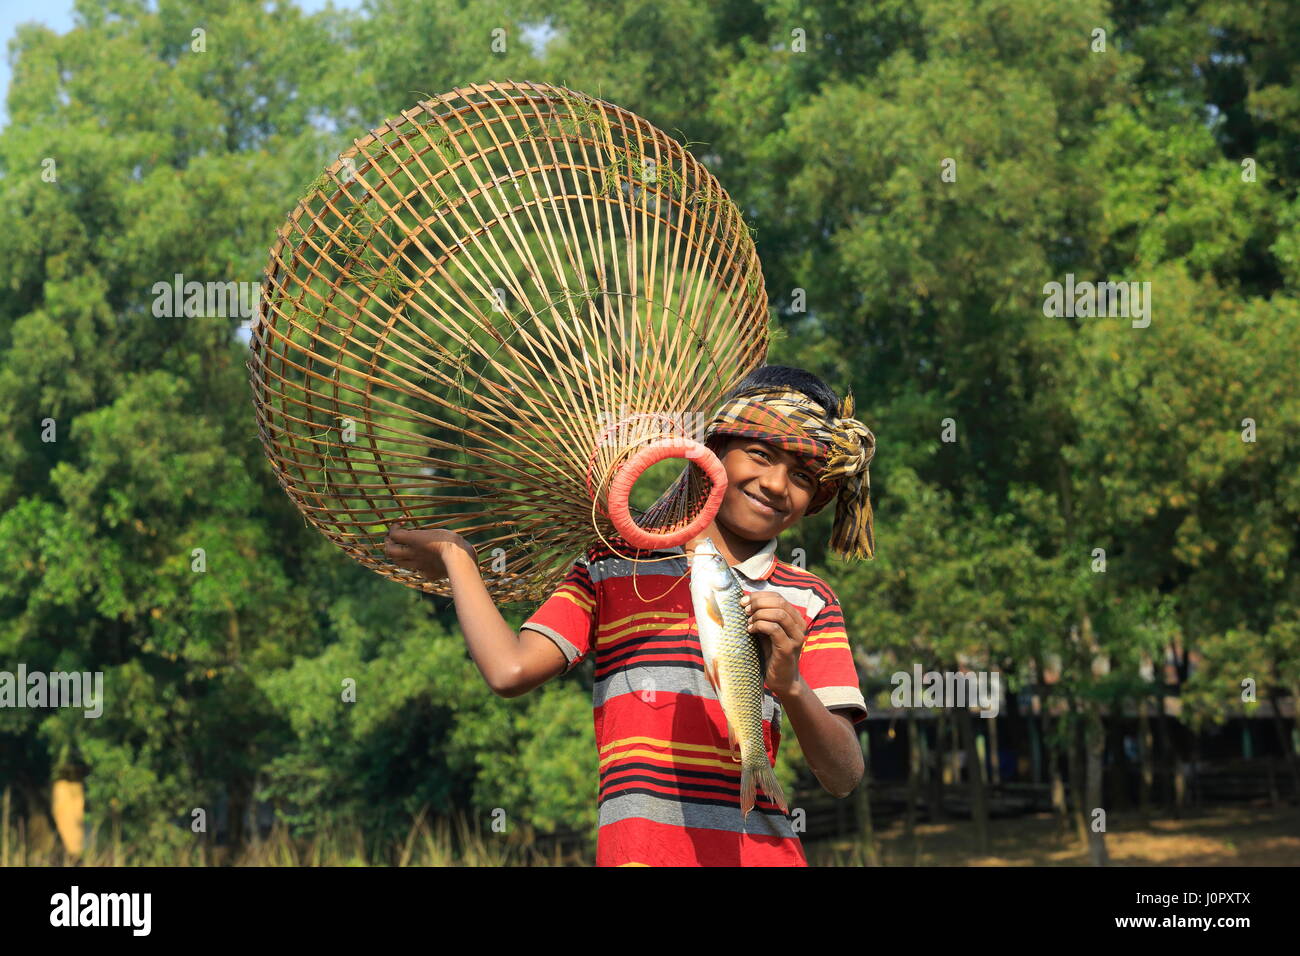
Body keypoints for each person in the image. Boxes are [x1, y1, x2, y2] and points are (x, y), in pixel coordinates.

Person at [384, 365, 876, 865]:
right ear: (714, 450)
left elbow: (843, 776)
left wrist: (790, 684)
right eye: (761, 454)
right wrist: (458, 560)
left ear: (816, 499)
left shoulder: (809, 599)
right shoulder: (613, 568)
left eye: (802, 476)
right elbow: (509, 671)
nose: (775, 484)